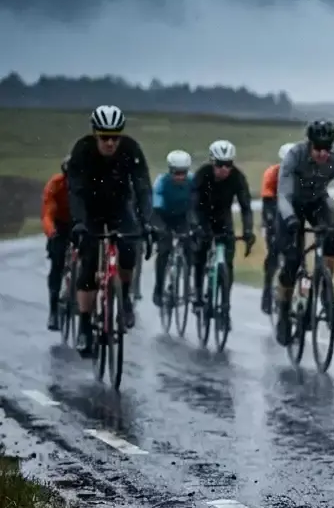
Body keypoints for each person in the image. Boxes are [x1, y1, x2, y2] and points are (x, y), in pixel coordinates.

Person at [66, 105, 154, 354]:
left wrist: (146, 222)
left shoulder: (130, 149)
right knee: (90, 262)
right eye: (105, 137)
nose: (110, 142)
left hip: (119, 207)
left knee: (128, 250)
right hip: (90, 210)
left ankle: (124, 297)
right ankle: (84, 326)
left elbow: (143, 187)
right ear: (95, 134)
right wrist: (79, 223)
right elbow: (75, 191)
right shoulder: (82, 150)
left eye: (115, 136)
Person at [273, 120, 334, 345]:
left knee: (331, 230)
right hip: (291, 204)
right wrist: (291, 219)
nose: (322, 153)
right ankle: (283, 313)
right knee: (292, 260)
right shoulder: (295, 155)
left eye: (326, 149)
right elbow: (282, 195)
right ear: (309, 144)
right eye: (318, 148)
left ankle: (323, 284)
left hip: (318, 201)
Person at [188, 140, 256, 308]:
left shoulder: (238, 178)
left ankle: (225, 302)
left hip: (223, 218)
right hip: (202, 216)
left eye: (228, 164)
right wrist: (196, 226)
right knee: (201, 252)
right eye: (220, 164)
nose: (224, 169)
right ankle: (197, 293)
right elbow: (192, 205)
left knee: (228, 260)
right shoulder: (202, 174)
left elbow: (246, 207)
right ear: (212, 162)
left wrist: (248, 230)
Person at [151, 150, 194, 307]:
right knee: (164, 250)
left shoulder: (192, 181)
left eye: (183, 173)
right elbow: (156, 207)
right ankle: (158, 289)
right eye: (176, 173)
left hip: (182, 217)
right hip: (164, 217)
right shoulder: (161, 182)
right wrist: (160, 228)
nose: (180, 177)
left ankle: (188, 283)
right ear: (170, 170)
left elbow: (197, 203)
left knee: (190, 247)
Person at [259, 142, 296, 314]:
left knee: (297, 254)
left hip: (293, 212)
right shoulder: (272, 173)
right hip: (274, 210)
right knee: (274, 251)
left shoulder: (301, 174)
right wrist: (270, 224)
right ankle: (267, 290)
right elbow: (268, 203)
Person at [41, 157, 73, 330]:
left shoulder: (88, 184)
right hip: (60, 225)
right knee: (57, 261)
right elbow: (47, 212)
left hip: (80, 223)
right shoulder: (55, 184)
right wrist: (51, 231)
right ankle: (53, 310)